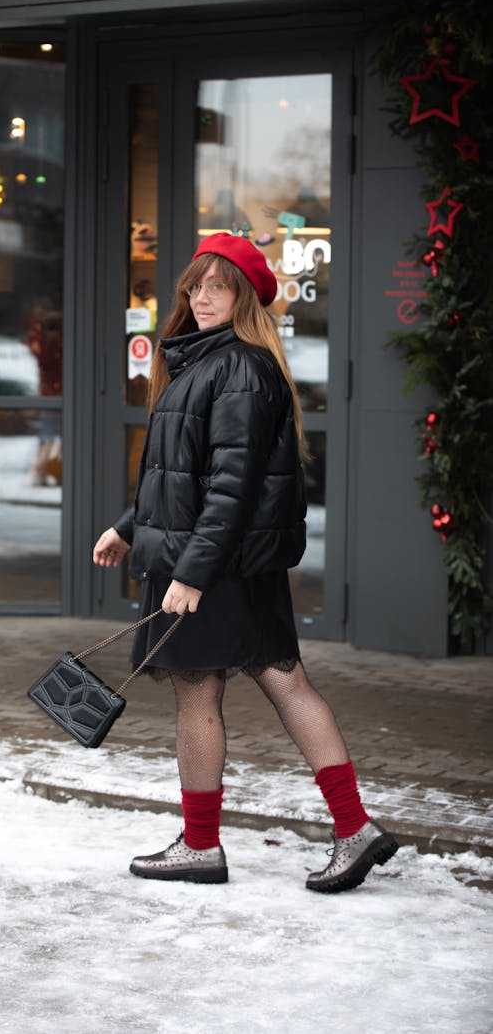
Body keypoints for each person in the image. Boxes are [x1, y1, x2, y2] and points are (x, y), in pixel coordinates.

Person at [93, 232, 398, 892]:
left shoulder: (234, 368)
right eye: (195, 285)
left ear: (246, 296)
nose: (202, 297)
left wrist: (191, 573)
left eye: (218, 285)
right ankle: (355, 827)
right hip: (233, 559)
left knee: (199, 692)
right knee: (286, 680)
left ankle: (202, 845)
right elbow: (184, 475)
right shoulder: (217, 364)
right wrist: (127, 527)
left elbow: (230, 487)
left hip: (213, 564)